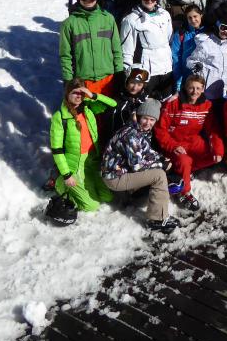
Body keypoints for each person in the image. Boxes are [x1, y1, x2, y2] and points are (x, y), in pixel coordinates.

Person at [101, 98, 180, 234]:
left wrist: (161, 158)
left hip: (121, 172)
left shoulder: (139, 131)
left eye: (152, 120)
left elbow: (145, 152)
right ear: (138, 116)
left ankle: (137, 197)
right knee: (159, 175)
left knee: (158, 169)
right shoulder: (131, 135)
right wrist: (162, 164)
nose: (148, 123)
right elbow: (137, 166)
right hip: (114, 177)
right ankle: (157, 219)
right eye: (145, 118)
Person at [48, 80, 115, 219]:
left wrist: (92, 95)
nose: (79, 96)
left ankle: (80, 186)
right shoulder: (60, 117)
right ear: (67, 93)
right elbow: (56, 149)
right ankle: (60, 184)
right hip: (75, 166)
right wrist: (67, 175)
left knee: (107, 197)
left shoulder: (87, 108)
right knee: (92, 206)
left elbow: (113, 104)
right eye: (75, 92)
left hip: (91, 160)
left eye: (81, 93)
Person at [156, 74, 225, 210]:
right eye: (191, 88)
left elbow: (213, 129)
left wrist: (218, 150)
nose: (195, 92)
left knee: (214, 155)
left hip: (192, 140)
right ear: (185, 88)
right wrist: (173, 146)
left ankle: (184, 172)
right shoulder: (173, 103)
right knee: (184, 161)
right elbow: (160, 130)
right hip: (174, 141)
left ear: (203, 89)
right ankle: (184, 192)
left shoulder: (206, 105)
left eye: (198, 88)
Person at [59, 0, 123, 96]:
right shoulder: (69, 23)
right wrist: (68, 80)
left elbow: (117, 49)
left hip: (107, 80)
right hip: (84, 82)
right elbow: (65, 56)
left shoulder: (108, 19)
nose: (88, 0)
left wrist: (119, 72)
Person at [120, 0, 174, 99]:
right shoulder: (131, 19)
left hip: (166, 67)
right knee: (145, 102)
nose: (149, 0)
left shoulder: (165, 14)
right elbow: (126, 50)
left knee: (166, 100)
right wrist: (127, 74)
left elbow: (168, 38)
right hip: (146, 70)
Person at [185, 18, 227, 104]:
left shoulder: (226, 46)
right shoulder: (207, 43)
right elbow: (190, 61)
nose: (225, 32)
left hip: (220, 93)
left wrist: (224, 92)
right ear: (218, 26)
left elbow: (225, 73)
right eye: (223, 28)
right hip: (205, 93)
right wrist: (195, 65)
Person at [170, 5, 203, 91]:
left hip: (205, 76)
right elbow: (175, 58)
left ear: (201, 15)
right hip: (187, 77)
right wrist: (178, 82)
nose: (193, 20)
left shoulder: (209, 32)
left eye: (195, 16)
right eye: (190, 18)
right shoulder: (181, 34)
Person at [109, 68, 149, 138]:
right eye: (132, 83)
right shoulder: (118, 100)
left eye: (139, 84)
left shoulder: (144, 100)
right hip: (119, 138)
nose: (134, 88)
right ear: (127, 81)